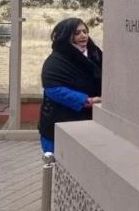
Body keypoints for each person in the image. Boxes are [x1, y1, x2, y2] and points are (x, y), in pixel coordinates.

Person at [37, 18, 103, 153]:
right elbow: (53, 89)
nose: (83, 35)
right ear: (66, 35)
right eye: (77, 33)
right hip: (58, 122)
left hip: (90, 122)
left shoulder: (96, 54)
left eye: (85, 31)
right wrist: (87, 101)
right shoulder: (55, 62)